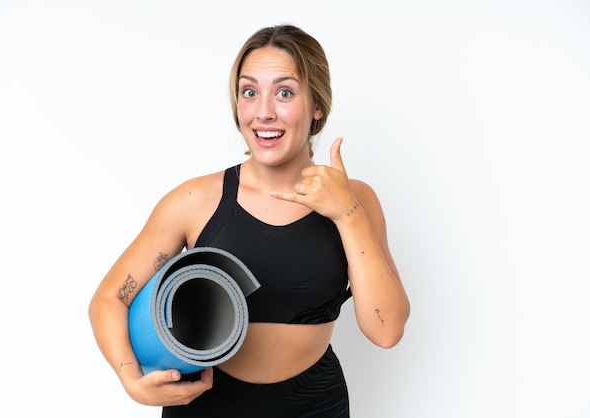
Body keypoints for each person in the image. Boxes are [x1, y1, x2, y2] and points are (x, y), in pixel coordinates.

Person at [88, 24, 410, 417]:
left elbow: (387, 330)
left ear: (317, 105)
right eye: (249, 92)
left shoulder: (356, 200)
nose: (263, 112)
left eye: (285, 92)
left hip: (316, 404)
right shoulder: (193, 201)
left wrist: (348, 214)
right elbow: (109, 299)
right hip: (206, 403)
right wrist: (131, 380)